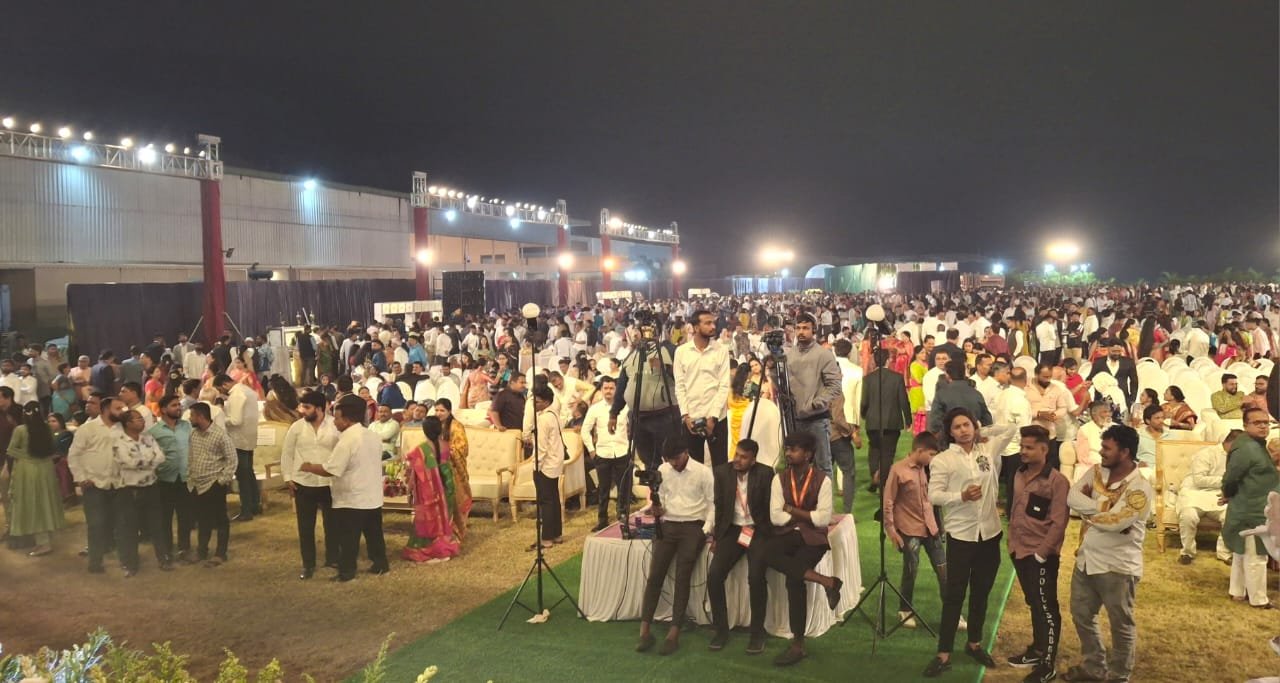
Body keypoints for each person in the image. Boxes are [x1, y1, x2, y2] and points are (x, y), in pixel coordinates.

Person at [924, 409, 1018, 678]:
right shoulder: (943, 460)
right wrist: (961, 496)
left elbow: (1011, 429)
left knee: (981, 592)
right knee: (954, 595)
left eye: (967, 425)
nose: (963, 430)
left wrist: (982, 431)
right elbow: (934, 496)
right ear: (949, 432)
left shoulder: (987, 450)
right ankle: (943, 653)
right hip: (961, 536)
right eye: (957, 427)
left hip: (989, 533)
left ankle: (974, 643)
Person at [1062, 424, 1153, 683]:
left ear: (1125, 452)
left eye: (1106, 448)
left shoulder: (1140, 488)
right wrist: (1105, 507)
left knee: (1120, 624)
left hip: (1118, 567)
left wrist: (1090, 512)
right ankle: (1094, 668)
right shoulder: (1095, 472)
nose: (1101, 452)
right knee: (1082, 615)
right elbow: (1071, 497)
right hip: (1086, 559)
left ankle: (1119, 677)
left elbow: (1117, 523)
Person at [762, 431, 843, 667]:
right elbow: (775, 517)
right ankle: (827, 582)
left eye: (794, 449)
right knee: (765, 553)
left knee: (794, 579)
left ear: (808, 454)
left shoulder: (822, 480)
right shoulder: (779, 479)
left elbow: (823, 519)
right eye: (787, 449)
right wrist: (806, 515)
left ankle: (798, 644)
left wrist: (791, 510)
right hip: (787, 533)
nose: (788, 453)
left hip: (813, 538)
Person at [636, 437, 714, 657]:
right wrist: (656, 508)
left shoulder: (703, 472)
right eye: (669, 460)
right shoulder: (663, 470)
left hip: (693, 526)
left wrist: (705, 529)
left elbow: (713, 503)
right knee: (655, 575)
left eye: (676, 459)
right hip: (668, 524)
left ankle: (674, 633)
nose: (673, 463)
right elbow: (660, 498)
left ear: (686, 452)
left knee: (682, 575)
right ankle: (644, 631)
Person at [300, 395, 389, 582]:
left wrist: (308, 467)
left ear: (347, 420)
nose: (334, 422)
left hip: (352, 498)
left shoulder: (347, 440)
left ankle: (347, 571)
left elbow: (331, 469)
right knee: (374, 534)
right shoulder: (372, 436)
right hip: (372, 495)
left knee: (348, 538)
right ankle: (380, 564)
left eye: (337, 418)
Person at [1006, 425, 1070, 683]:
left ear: (1044, 450)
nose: (1023, 451)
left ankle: (1048, 664)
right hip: (1018, 550)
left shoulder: (1057, 482)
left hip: (1040, 555)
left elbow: (1059, 522)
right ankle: (1037, 650)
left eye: (1029, 447)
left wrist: (1042, 554)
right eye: (1022, 446)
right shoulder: (1018, 473)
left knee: (1047, 608)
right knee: (1034, 602)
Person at [707, 438, 775, 654]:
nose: (737, 460)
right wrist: (717, 537)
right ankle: (721, 630)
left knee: (756, 577)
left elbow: (770, 507)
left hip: (757, 530)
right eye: (736, 454)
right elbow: (719, 506)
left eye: (743, 457)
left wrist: (769, 535)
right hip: (732, 529)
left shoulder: (765, 474)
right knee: (714, 575)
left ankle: (757, 633)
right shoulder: (722, 472)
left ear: (753, 460)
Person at [882, 432, 945, 630]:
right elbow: (888, 501)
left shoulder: (929, 469)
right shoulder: (898, 470)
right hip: (909, 530)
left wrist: (939, 527)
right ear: (919, 451)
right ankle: (905, 609)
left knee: (944, 572)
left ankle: (952, 612)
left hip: (931, 528)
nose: (933, 458)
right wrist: (891, 530)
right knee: (911, 571)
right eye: (931, 454)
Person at [1222, 407, 1279, 608]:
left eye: (1266, 422)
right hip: (1251, 509)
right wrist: (1228, 494)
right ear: (1246, 425)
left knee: (1242, 552)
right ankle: (1259, 600)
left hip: (1254, 505)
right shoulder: (1246, 448)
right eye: (1257, 423)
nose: (1263, 426)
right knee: (1256, 555)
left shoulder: (1255, 445)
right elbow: (1231, 478)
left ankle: (1237, 592)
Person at [281, 390, 341, 579]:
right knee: (305, 527)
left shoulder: (335, 426)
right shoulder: (297, 427)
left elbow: (342, 452)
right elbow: (287, 453)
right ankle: (308, 564)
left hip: (329, 482)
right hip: (303, 482)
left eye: (306, 407)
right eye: (302, 406)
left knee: (333, 524)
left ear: (319, 408)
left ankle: (333, 558)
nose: (302, 410)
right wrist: (288, 477)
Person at [68, 395, 126, 574]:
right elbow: (74, 455)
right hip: (94, 484)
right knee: (96, 524)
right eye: (118, 408)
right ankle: (95, 561)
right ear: (106, 409)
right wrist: (81, 478)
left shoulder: (123, 428)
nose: (122, 411)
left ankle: (125, 560)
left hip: (118, 484)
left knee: (121, 524)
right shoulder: (88, 429)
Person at [782, 313, 842, 480]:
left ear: (814, 330)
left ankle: (825, 498)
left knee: (822, 466)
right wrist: (773, 369)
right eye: (798, 328)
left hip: (817, 420)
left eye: (806, 328)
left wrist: (817, 403)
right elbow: (782, 385)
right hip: (794, 420)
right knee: (795, 465)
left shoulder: (824, 354)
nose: (801, 332)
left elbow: (835, 386)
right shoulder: (789, 355)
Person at [611, 328, 679, 472]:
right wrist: (613, 413)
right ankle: (653, 484)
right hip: (639, 419)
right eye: (634, 332)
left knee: (671, 458)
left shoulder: (668, 350)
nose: (636, 335)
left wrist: (665, 367)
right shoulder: (631, 356)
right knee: (648, 462)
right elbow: (621, 387)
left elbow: (682, 377)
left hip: (664, 417)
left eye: (640, 331)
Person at [673, 309, 732, 467]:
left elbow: (724, 385)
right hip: (691, 418)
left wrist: (713, 417)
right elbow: (680, 386)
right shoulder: (681, 352)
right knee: (693, 468)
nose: (713, 326)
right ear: (696, 327)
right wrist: (685, 416)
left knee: (721, 467)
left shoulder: (721, 350)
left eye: (713, 323)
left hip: (717, 418)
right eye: (708, 323)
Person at [111, 408, 166, 576]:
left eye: (142, 418)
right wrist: (150, 462)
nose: (142, 421)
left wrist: (143, 462)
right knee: (130, 528)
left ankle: (163, 559)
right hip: (129, 489)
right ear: (127, 423)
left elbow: (161, 457)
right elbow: (127, 462)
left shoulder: (148, 438)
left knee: (157, 525)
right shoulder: (119, 441)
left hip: (151, 486)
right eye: (138, 419)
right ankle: (130, 564)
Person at [7, 402, 65, 557]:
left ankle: (43, 542)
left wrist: (27, 455)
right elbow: (51, 448)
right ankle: (45, 539)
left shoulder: (20, 430)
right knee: (45, 501)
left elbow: (11, 450)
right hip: (46, 469)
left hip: (28, 471)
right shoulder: (46, 428)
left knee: (32, 503)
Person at [401, 416, 462, 562]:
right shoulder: (446, 445)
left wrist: (409, 488)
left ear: (424, 430)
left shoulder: (421, 450)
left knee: (428, 518)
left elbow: (416, 473)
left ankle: (428, 549)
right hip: (446, 485)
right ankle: (443, 546)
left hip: (429, 491)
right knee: (443, 516)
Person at [187, 402, 237, 567]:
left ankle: (220, 553)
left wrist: (221, 481)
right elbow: (191, 456)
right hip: (197, 483)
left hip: (214, 483)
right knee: (203, 519)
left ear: (201, 416)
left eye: (192, 415)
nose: (190, 418)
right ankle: (202, 551)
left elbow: (232, 460)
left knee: (220, 519)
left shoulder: (220, 435)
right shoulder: (193, 434)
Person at [1176, 431, 1237, 565]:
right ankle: (1187, 552)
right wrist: (1227, 481)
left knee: (1231, 515)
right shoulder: (1206, 453)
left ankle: (1225, 553)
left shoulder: (1239, 457)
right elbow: (1199, 480)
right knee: (1188, 516)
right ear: (1231, 443)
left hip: (1220, 494)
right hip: (1194, 492)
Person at [148, 395, 195, 567]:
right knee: (165, 518)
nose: (178, 408)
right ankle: (166, 552)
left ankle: (184, 549)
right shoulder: (154, 431)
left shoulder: (187, 426)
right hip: (165, 480)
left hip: (185, 478)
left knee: (185, 516)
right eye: (174, 405)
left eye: (179, 405)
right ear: (163, 409)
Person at [581, 375, 631, 531]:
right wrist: (591, 450)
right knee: (603, 489)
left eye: (611, 388)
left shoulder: (625, 408)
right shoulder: (595, 409)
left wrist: (630, 447)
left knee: (623, 487)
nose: (608, 391)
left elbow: (633, 428)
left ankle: (622, 515)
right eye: (606, 388)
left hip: (622, 451)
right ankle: (602, 519)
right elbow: (585, 430)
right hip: (602, 453)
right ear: (601, 390)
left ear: (617, 389)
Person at [861, 348, 912, 492]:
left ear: (874, 361)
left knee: (874, 449)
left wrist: (864, 415)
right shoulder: (897, 378)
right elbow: (903, 400)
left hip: (873, 421)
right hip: (892, 422)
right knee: (887, 453)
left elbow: (864, 402)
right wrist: (908, 420)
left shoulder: (868, 379)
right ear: (888, 360)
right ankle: (883, 483)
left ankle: (875, 474)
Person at [215, 373, 261, 521]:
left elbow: (235, 420)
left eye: (219, 389)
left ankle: (246, 510)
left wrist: (220, 417)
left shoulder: (236, 395)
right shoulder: (248, 390)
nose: (221, 393)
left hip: (238, 440)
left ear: (224, 384)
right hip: (249, 437)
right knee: (249, 474)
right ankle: (255, 505)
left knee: (242, 476)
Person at [525, 385, 566, 549]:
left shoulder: (543, 419)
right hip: (555, 463)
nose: (534, 404)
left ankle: (547, 538)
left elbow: (541, 447)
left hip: (545, 465)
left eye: (537, 401)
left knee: (546, 502)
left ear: (547, 401)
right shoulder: (553, 414)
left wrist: (536, 466)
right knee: (554, 499)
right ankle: (557, 534)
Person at [433, 398, 472, 540]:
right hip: (439, 467)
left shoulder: (456, 426)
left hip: (454, 468)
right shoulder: (435, 425)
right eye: (436, 410)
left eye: (442, 410)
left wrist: (446, 451)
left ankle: (456, 531)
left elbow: (462, 448)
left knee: (456, 500)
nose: (438, 413)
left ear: (449, 411)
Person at [928, 358, 994, 441]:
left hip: (950, 440)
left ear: (947, 374)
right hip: (971, 439)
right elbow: (987, 421)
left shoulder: (941, 394)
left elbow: (934, 423)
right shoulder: (976, 394)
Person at [1087, 341, 1138, 407]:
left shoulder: (1128, 362)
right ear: (1108, 349)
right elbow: (1090, 378)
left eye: (1119, 351)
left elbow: (1134, 382)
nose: (1116, 353)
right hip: (1101, 401)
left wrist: (1132, 399)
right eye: (1114, 351)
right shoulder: (1099, 362)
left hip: (1122, 400)